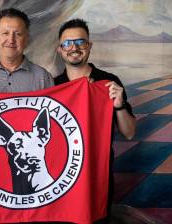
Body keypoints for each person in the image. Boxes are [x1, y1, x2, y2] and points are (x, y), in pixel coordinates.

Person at [55, 18, 136, 223]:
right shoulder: (53, 86)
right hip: (62, 177)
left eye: (81, 42)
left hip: (98, 176)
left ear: (89, 46)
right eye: (67, 43)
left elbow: (129, 132)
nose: (74, 48)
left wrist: (118, 105)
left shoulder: (108, 82)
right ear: (60, 49)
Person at [0, 8, 54, 92]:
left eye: (18, 34)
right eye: (5, 33)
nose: (11, 40)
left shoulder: (43, 77)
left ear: (27, 39)